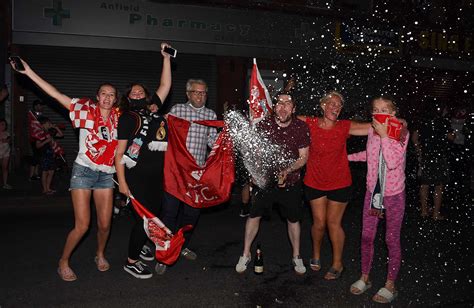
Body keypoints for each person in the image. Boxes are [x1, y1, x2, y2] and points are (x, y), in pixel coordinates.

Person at [11, 58, 119, 282]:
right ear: (97, 97)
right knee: (82, 225)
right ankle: (63, 261)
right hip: (83, 171)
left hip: (106, 173)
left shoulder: (120, 119)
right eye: (103, 93)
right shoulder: (86, 111)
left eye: (111, 94)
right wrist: (28, 71)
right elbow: (55, 94)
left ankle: (99, 254)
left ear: (115, 99)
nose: (107, 97)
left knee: (105, 224)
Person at [235, 91, 310, 275]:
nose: (283, 106)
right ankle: (245, 254)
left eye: (288, 103)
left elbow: (303, 158)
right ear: (274, 107)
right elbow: (254, 154)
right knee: (254, 215)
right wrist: (255, 172)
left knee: (293, 219)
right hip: (265, 182)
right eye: (279, 103)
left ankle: (296, 256)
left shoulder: (301, 127)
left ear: (293, 108)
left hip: (291, 181)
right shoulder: (263, 125)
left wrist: (287, 170)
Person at [298, 91, 370, 280]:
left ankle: (338, 263)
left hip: (340, 182)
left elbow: (371, 127)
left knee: (333, 223)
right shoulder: (310, 123)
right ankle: (316, 253)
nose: (335, 108)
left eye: (338, 105)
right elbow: (285, 118)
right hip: (314, 181)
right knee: (319, 223)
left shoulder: (344, 126)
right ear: (322, 105)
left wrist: (393, 121)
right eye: (331, 103)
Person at [115, 43, 172, 279]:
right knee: (144, 219)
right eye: (133, 93)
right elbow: (119, 154)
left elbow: (166, 85)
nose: (137, 94)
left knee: (153, 213)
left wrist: (166, 58)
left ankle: (142, 244)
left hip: (156, 175)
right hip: (136, 177)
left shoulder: (152, 110)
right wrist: (123, 185)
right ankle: (131, 261)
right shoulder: (127, 118)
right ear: (127, 98)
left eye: (141, 92)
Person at [348, 96, 409, 304]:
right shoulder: (373, 131)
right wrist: (345, 157)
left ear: (393, 113)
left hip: (393, 194)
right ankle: (365, 277)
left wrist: (384, 135)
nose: (379, 112)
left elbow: (391, 162)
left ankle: (390, 283)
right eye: (376, 109)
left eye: (385, 109)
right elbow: (370, 155)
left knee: (391, 239)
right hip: (373, 193)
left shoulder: (400, 131)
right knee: (367, 237)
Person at [155, 78, 217, 275]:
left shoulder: (210, 114)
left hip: (196, 175)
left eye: (203, 93)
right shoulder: (177, 110)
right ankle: (164, 253)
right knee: (169, 214)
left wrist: (224, 141)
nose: (200, 96)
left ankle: (182, 245)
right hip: (175, 173)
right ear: (188, 94)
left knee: (192, 215)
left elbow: (212, 142)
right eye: (196, 92)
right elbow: (163, 134)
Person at [412, 102, 454, 220]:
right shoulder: (443, 121)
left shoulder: (421, 122)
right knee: (438, 186)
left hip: (426, 156)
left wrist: (419, 151)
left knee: (424, 184)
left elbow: (415, 138)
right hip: (439, 156)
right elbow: (451, 137)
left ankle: (424, 211)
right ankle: (435, 214)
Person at [35, 116, 64, 194]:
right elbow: (37, 146)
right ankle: (45, 189)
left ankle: (48, 188)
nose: (49, 124)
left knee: (51, 172)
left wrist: (56, 127)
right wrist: (46, 141)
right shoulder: (40, 134)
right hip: (44, 155)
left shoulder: (51, 132)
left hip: (52, 154)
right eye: (48, 123)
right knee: (45, 172)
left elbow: (61, 135)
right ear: (42, 124)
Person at [28, 100, 44, 181]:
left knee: (38, 156)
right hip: (34, 138)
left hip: (40, 137)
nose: (41, 107)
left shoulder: (40, 115)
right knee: (35, 156)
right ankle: (31, 175)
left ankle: (36, 174)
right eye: (39, 105)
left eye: (41, 105)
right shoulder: (31, 114)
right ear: (35, 106)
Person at [0, 118, 12, 189]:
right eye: (2, 124)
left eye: (4, 125)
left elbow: (9, 140)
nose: (3, 126)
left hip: (6, 152)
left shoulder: (7, 133)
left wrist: (7, 140)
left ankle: (5, 183)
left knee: (5, 168)